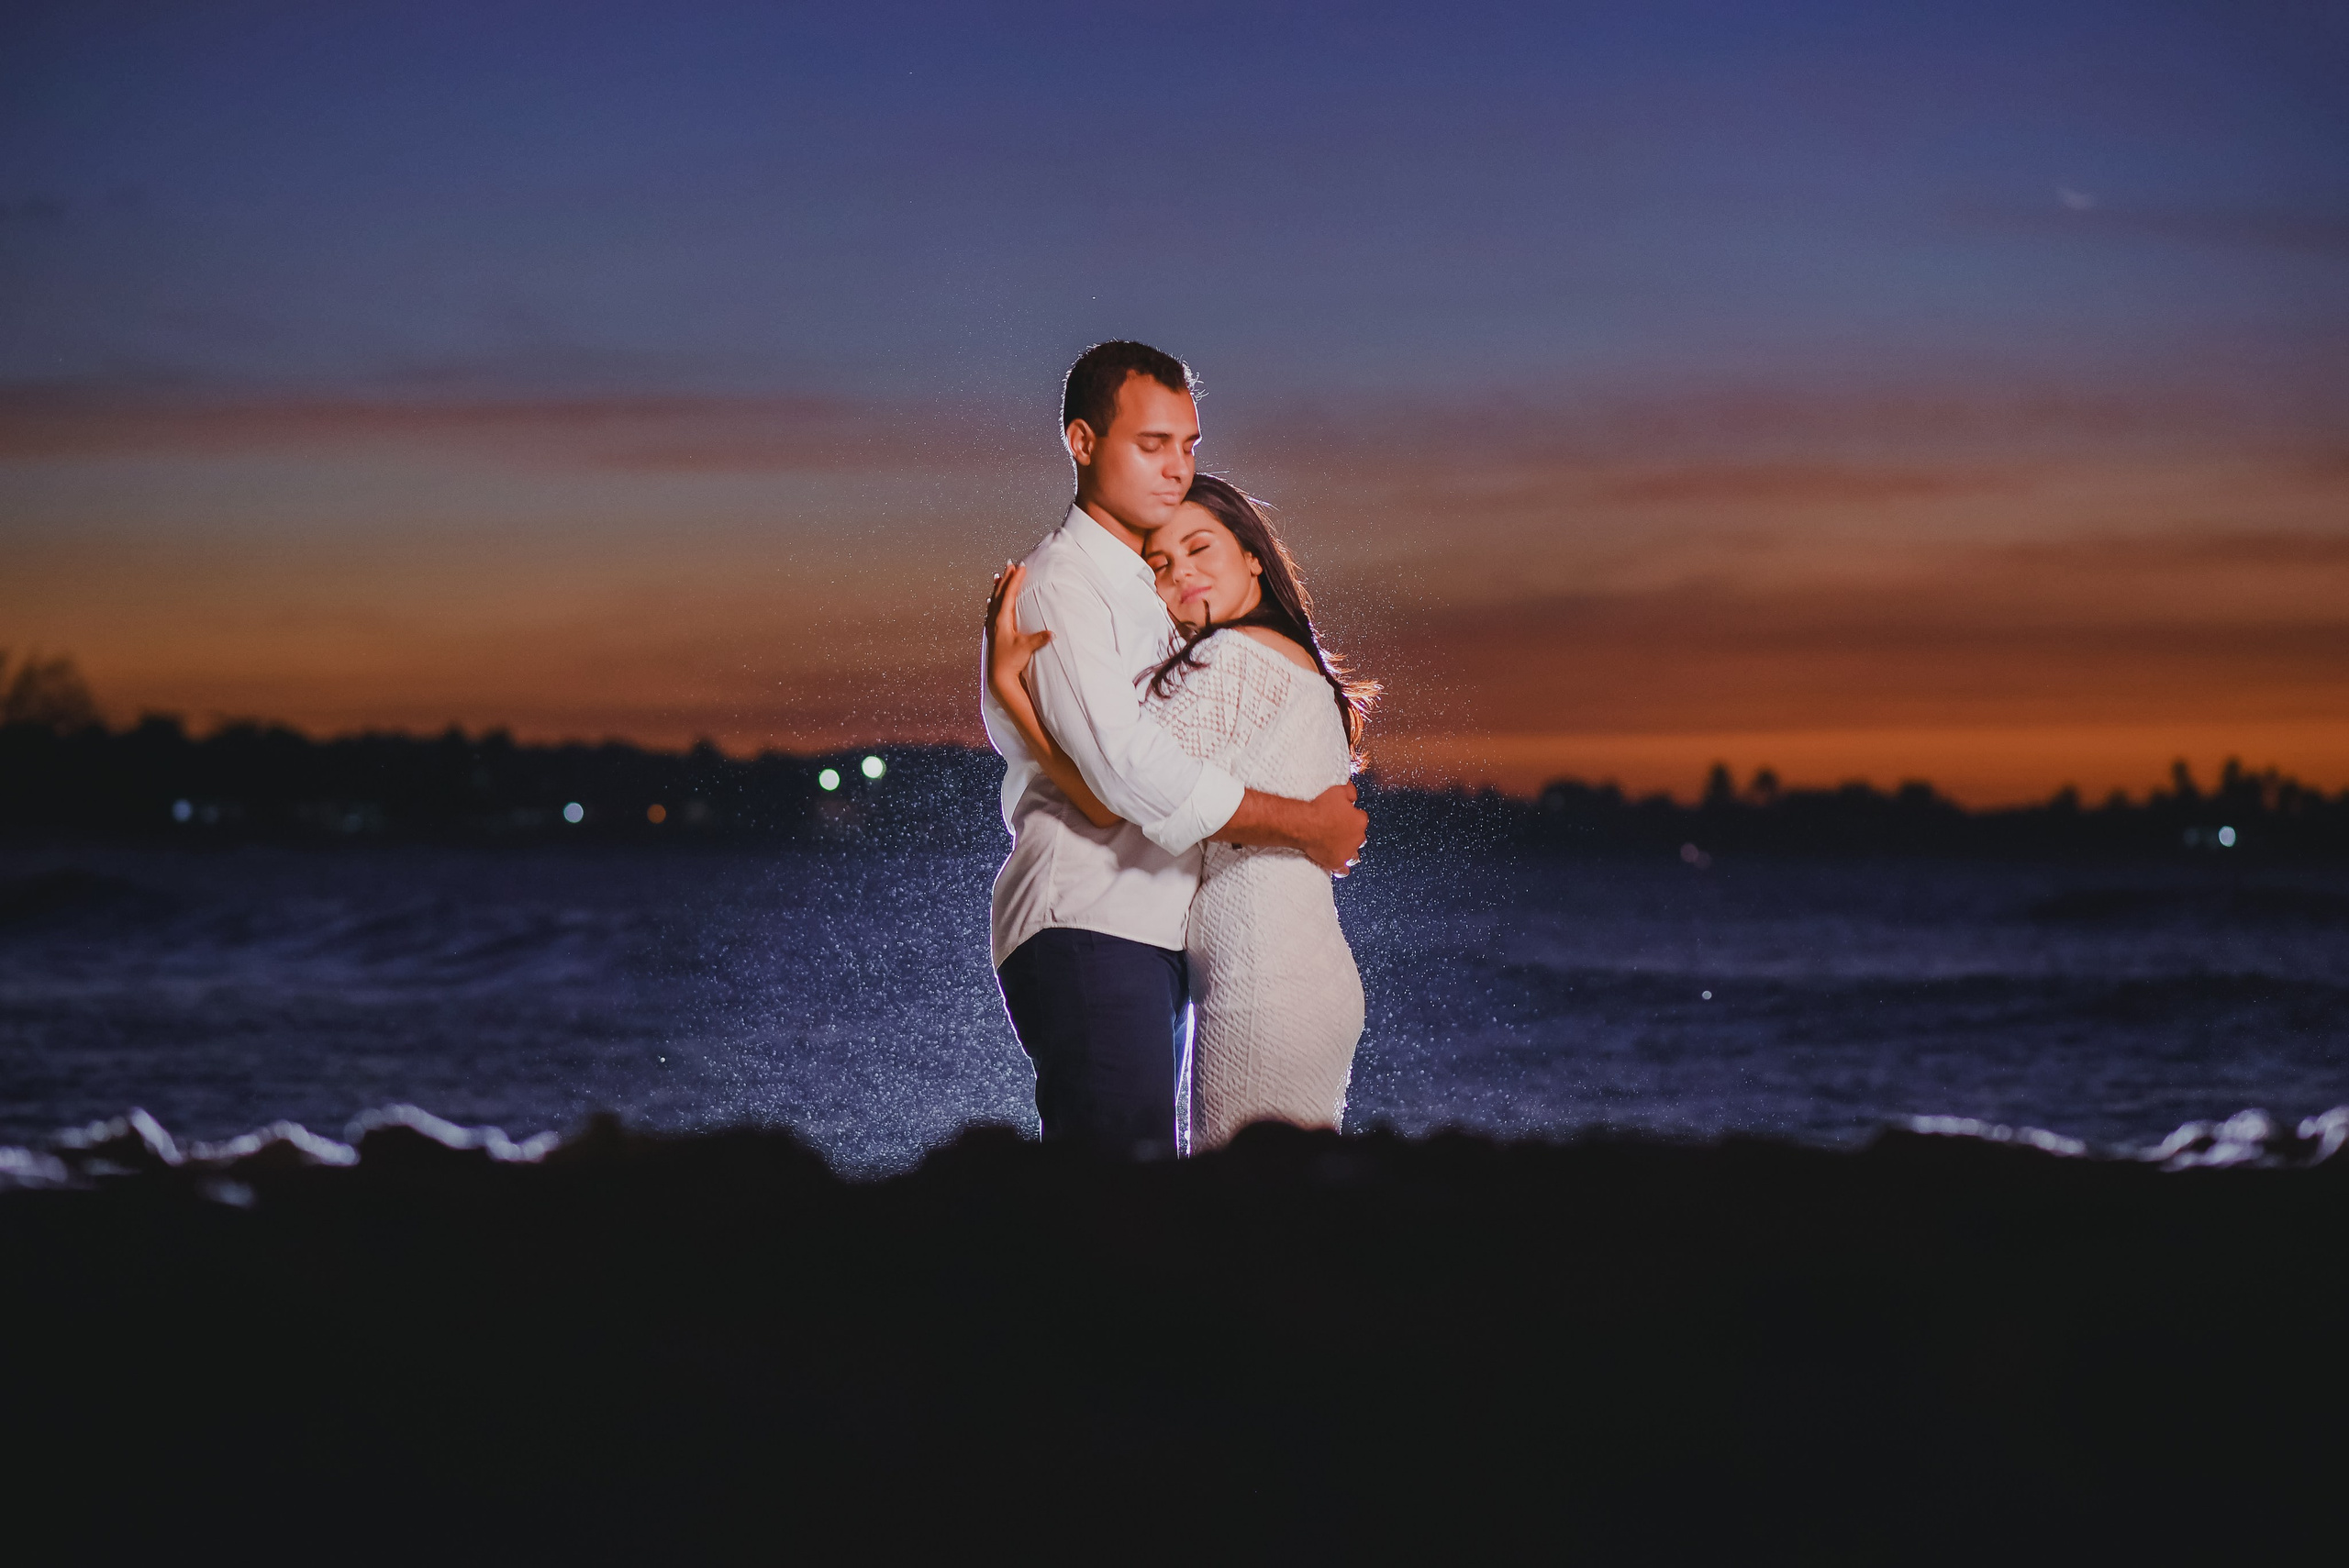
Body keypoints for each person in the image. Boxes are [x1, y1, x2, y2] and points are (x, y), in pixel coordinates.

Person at [981, 341, 1367, 1158]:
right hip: (1092, 912)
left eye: (1187, 445)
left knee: (1156, 1202)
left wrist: (1009, 700)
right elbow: (1123, 773)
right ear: (1082, 442)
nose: (1176, 468)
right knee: (1125, 1195)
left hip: (1156, 931)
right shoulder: (1064, 583)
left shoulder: (1161, 599)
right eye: (1151, 445)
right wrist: (1302, 824)